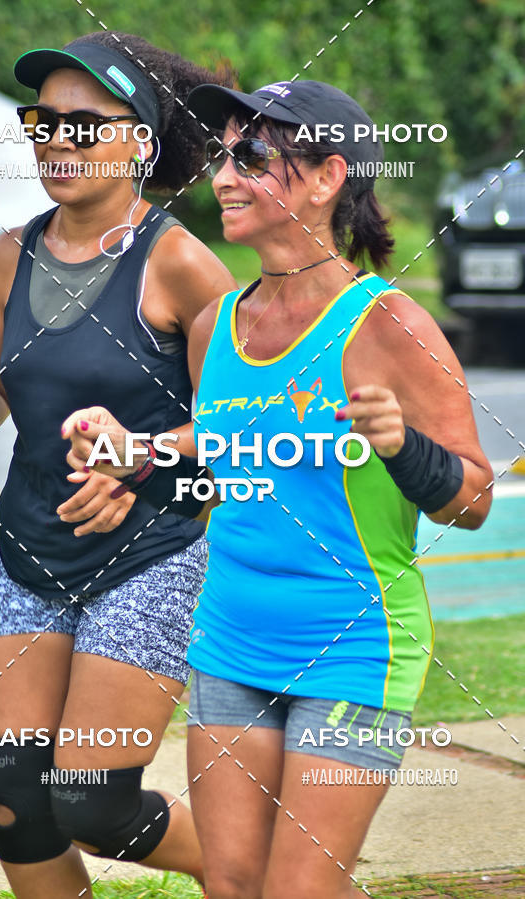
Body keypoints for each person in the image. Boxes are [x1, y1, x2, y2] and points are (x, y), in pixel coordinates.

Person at [63, 79, 494, 898]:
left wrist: (402, 450)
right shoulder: (215, 325)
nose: (224, 177)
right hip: (230, 640)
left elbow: (470, 500)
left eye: (253, 156)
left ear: (328, 177)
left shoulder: (389, 323)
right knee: (231, 883)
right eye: (224, 156)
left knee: (300, 891)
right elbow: (222, 466)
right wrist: (134, 458)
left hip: (352, 650)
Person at [0, 32, 235, 899]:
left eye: (84, 124)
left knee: (91, 799)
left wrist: (143, 460)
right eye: (43, 122)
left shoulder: (179, 263)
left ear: (140, 139)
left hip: (148, 556)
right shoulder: (7, 254)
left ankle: (278, 875)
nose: (56, 141)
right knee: (15, 807)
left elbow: (235, 437)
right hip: (30, 551)